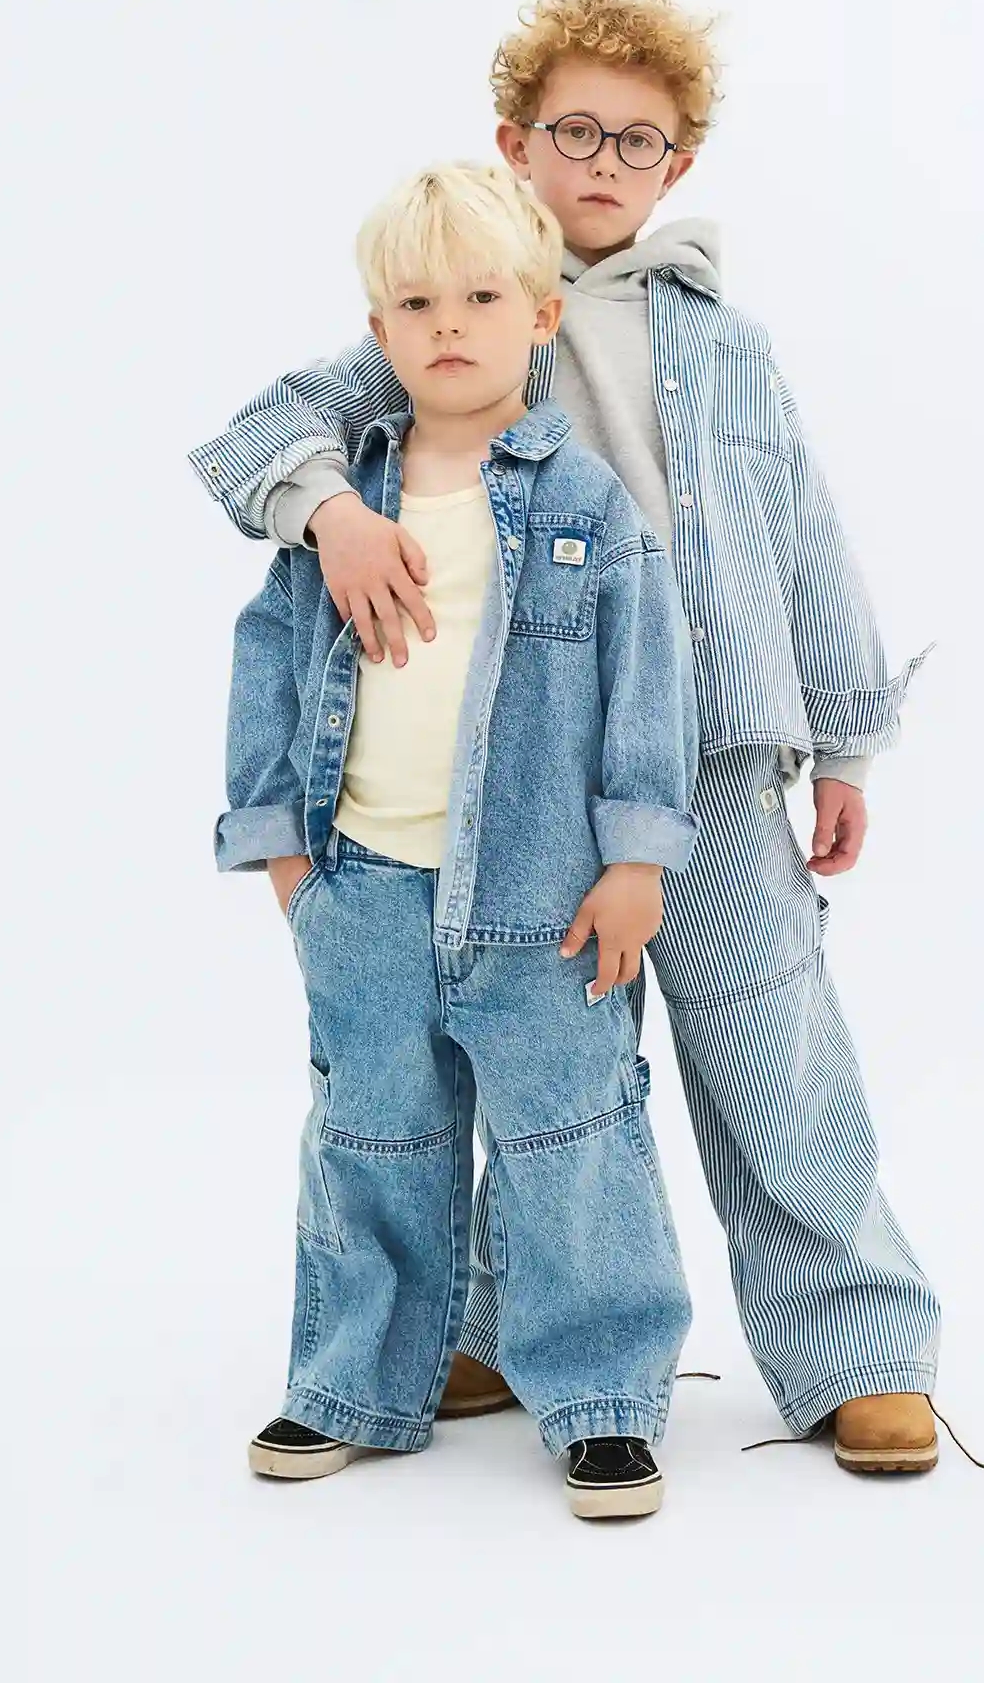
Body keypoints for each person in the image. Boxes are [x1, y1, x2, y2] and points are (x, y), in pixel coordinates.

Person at [194, 0, 943, 1472]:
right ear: (517, 143)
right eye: (575, 132)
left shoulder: (725, 345)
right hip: (510, 773)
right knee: (523, 1059)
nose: (604, 163)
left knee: (774, 1054)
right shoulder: (470, 302)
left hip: (709, 750)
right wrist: (333, 512)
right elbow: (261, 431)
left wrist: (844, 739)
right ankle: (485, 1325)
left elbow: (802, 534)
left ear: (680, 165)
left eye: (638, 141)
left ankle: (857, 1342)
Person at [218, 163, 698, 1518]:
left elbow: (645, 682)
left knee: (572, 1140)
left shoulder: (583, 502)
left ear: (541, 315)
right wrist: (286, 854)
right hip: (365, 885)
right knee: (372, 1137)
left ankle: (602, 1402)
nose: (449, 326)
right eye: (418, 304)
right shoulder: (340, 510)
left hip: (544, 904)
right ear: (379, 331)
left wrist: (636, 862)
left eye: (482, 298)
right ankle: (351, 1386)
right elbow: (269, 662)